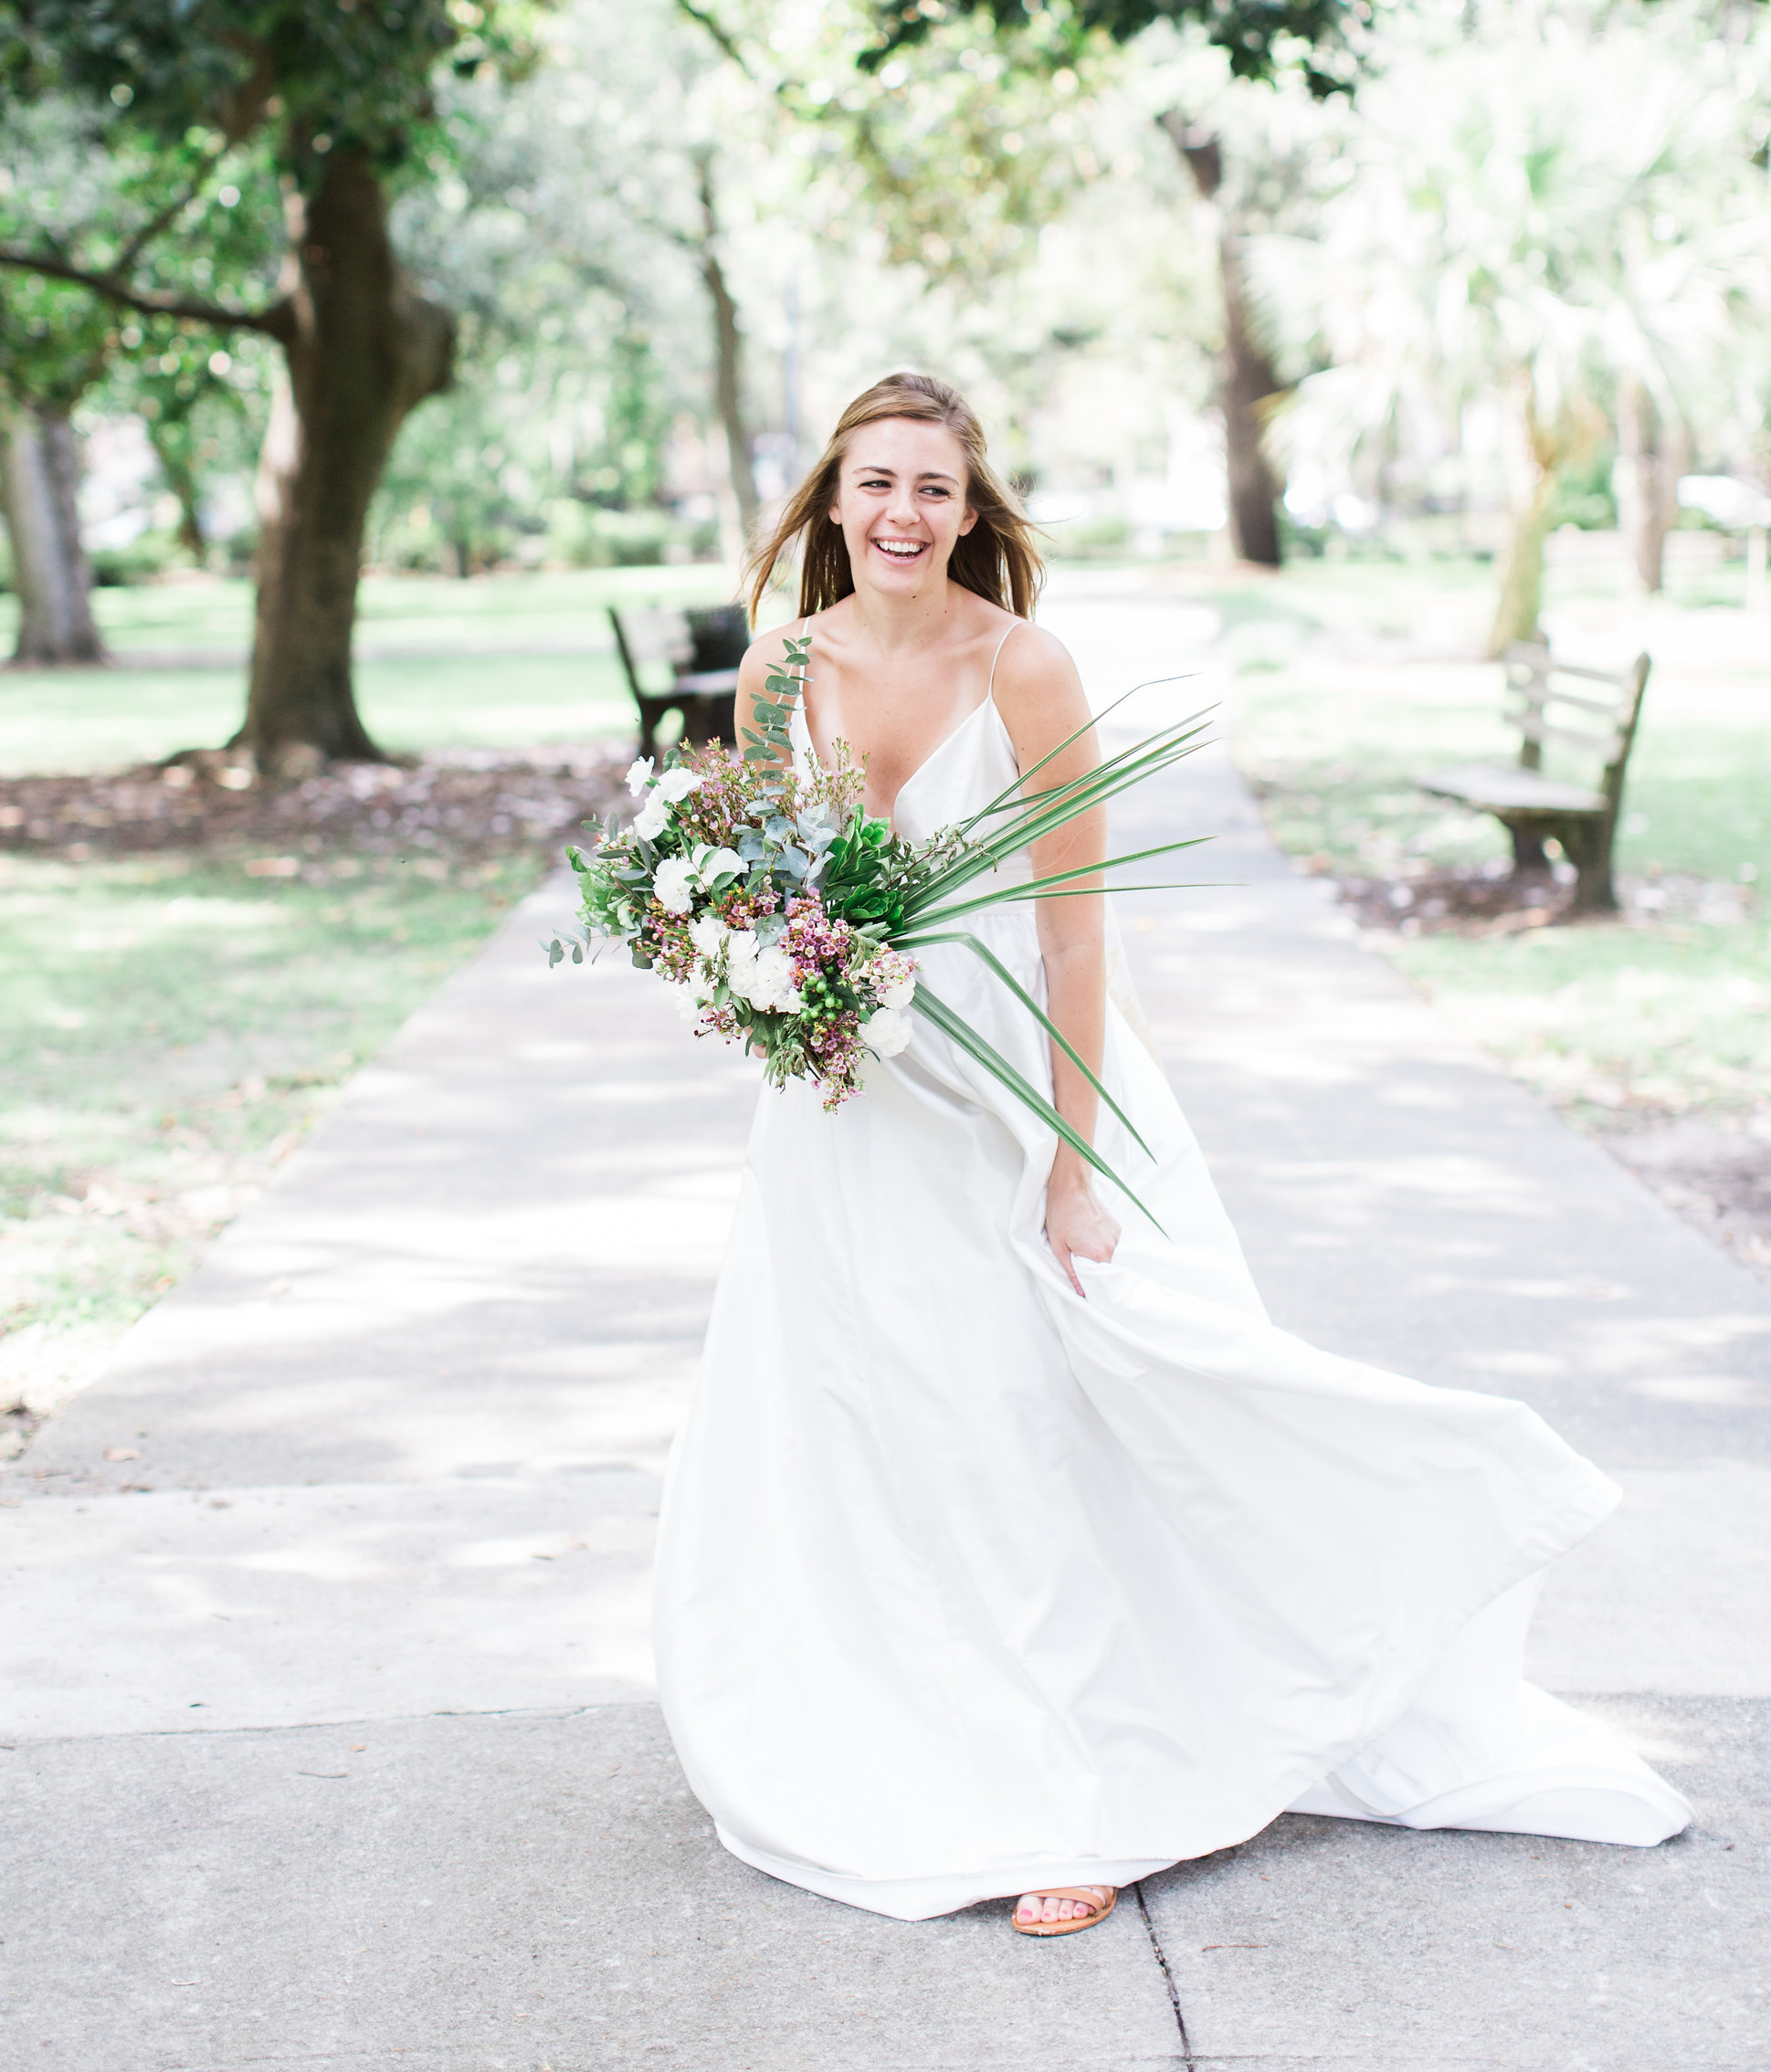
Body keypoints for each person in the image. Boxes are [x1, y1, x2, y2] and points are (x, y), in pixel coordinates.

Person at [652, 369, 1687, 1934]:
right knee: (862, 1422)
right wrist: (768, 987)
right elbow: (759, 887)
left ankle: (1083, 1791)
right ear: (831, 501)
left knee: (1027, 1428)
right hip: (847, 1110)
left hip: (1011, 1085)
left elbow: (1078, 940)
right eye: (875, 484)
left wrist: (1076, 1162)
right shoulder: (779, 667)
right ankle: (895, 1737)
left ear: (971, 509)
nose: (902, 515)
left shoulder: (1027, 665)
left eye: (933, 488)